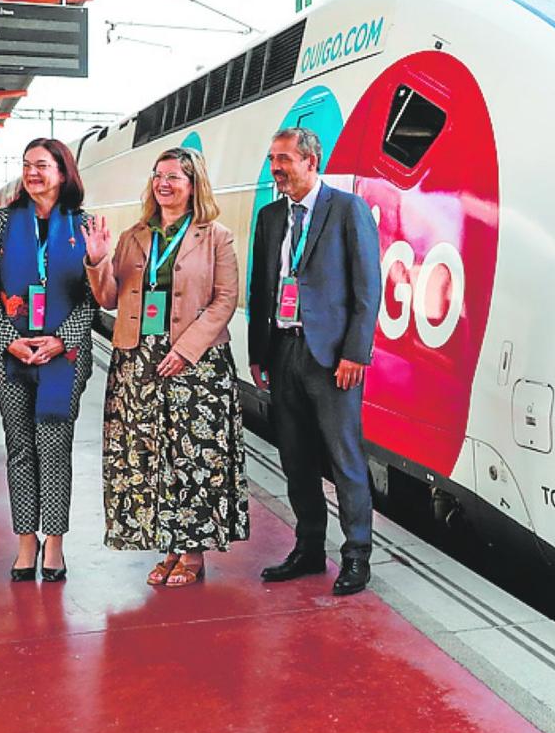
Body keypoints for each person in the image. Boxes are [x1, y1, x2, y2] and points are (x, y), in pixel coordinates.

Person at [82, 147, 247, 586]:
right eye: (158, 176)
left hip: (196, 367)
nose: (164, 184)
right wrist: (98, 260)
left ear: (194, 184)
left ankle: (192, 551)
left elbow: (225, 300)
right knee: (150, 456)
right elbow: (109, 298)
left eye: (174, 176)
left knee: (191, 456)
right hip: (137, 361)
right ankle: (168, 544)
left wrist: (187, 349)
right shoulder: (135, 235)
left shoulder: (216, 236)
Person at [249, 127, 381, 596]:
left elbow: (368, 290)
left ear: (310, 161)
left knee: (345, 460)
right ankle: (308, 549)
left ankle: (357, 555)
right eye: (272, 159)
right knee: (296, 458)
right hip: (284, 350)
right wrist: (258, 353)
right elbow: (260, 288)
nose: (276, 168)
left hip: (330, 357)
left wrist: (354, 353)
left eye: (283, 159)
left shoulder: (347, 210)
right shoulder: (269, 219)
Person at [0, 139, 95, 582]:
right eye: (27, 165)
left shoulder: (83, 226)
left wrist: (61, 340)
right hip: (9, 357)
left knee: (55, 449)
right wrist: (8, 338)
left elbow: (94, 297)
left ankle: (56, 543)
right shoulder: (3, 223)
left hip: (64, 357)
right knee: (20, 449)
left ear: (63, 173)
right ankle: (26, 541)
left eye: (41, 166)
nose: (32, 173)